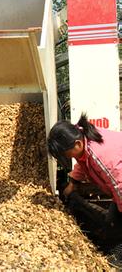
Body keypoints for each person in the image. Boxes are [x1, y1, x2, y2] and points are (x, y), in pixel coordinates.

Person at [47, 114, 122, 266]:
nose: (65, 157)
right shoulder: (84, 142)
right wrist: (73, 182)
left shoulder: (102, 158)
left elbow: (119, 185)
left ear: (77, 144)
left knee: (116, 226)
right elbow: (83, 163)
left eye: (64, 154)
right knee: (112, 224)